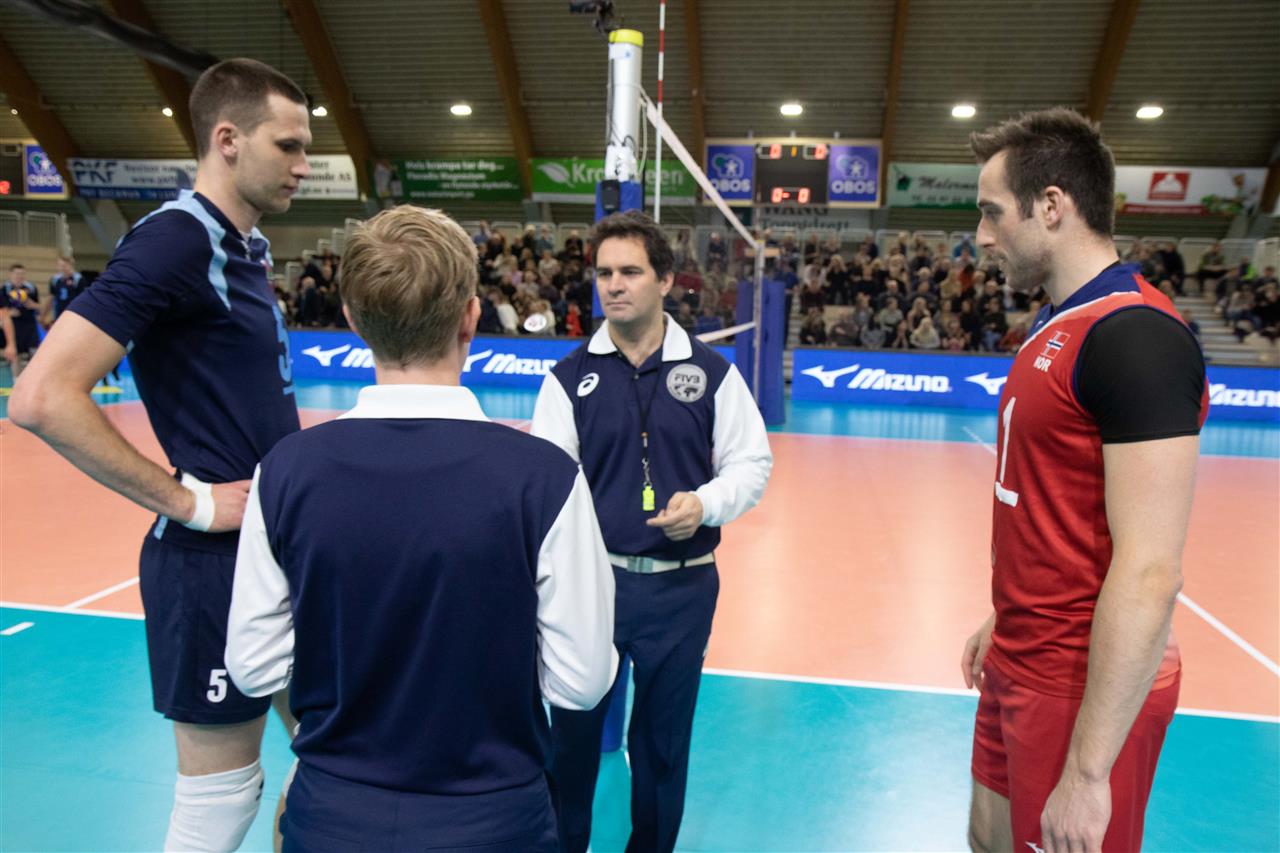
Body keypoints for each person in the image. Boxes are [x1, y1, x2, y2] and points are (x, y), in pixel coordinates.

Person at [225, 205, 617, 852]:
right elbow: (582, 680)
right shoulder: (545, 478)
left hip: (334, 815)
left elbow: (253, 666)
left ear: (353, 320)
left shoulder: (286, 471)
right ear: (471, 316)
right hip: (494, 820)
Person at [10, 57, 313, 852]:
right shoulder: (177, 238)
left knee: (333, 755)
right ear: (227, 139)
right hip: (211, 567)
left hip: (275, 552)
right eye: (287, 146)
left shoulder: (243, 247)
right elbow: (41, 395)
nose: (302, 166)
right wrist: (190, 500)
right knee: (222, 799)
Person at [961, 108, 1206, 853]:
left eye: (992, 212)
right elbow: (1054, 504)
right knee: (987, 839)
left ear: (1052, 205)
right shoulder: (1056, 321)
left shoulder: (1135, 338)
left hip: (1077, 681)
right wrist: (1008, 614)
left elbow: (1151, 569)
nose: (981, 236)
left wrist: (1089, 772)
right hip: (1023, 653)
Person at [531, 210, 772, 853]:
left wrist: (706, 504)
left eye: (631, 272)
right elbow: (548, 487)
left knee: (663, 746)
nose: (614, 285)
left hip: (680, 590)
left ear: (665, 280)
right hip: (592, 588)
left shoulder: (713, 374)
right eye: (604, 273)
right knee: (572, 740)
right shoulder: (567, 380)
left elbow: (751, 464)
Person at [3, 263, 41, 377]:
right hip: (14, 326)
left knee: (35, 352)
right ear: (11, 274)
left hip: (30, 324)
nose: (19, 276)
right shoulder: (5, 289)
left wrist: (33, 305)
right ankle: (16, 380)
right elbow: (2, 310)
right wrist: (10, 312)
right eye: (17, 274)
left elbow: (38, 306)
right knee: (15, 355)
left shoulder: (31, 288)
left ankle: (35, 377)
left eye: (22, 274)